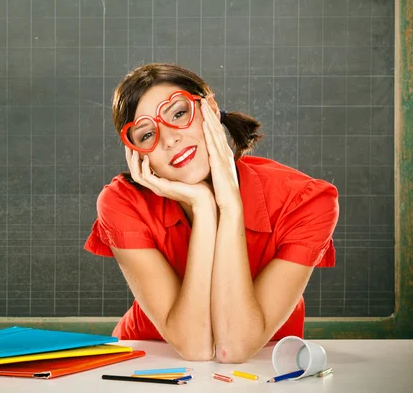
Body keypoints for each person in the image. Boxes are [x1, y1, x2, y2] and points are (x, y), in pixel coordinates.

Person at [84, 63, 339, 363]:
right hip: (150, 361)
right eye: (146, 135)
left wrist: (229, 207)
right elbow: (195, 347)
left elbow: (235, 347)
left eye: (178, 114)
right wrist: (204, 208)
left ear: (210, 109)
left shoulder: (305, 202)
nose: (168, 139)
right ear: (138, 154)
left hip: (267, 366)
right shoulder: (121, 202)